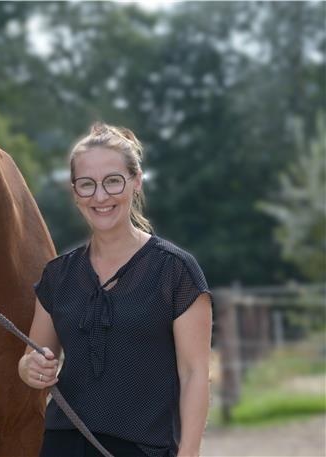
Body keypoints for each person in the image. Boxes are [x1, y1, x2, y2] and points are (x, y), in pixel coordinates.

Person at [18, 123, 212, 457]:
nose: (100, 196)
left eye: (112, 181)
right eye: (87, 185)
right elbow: (32, 358)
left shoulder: (175, 271)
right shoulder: (57, 276)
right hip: (63, 444)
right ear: (75, 191)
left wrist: (190, 452)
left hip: (143, 447)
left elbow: (195, 373)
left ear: (136, 181)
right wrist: (30, 368)